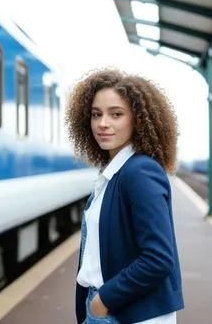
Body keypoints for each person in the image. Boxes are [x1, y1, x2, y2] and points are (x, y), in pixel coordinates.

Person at [65, 68, 184, 324]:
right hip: (108, 308)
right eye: (96, 115)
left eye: (116, 114)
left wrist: (104, 300)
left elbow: (158, 258)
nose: (102, 123)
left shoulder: (139, 172)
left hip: (127, 312)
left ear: (137, 119)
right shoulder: (115, 173)